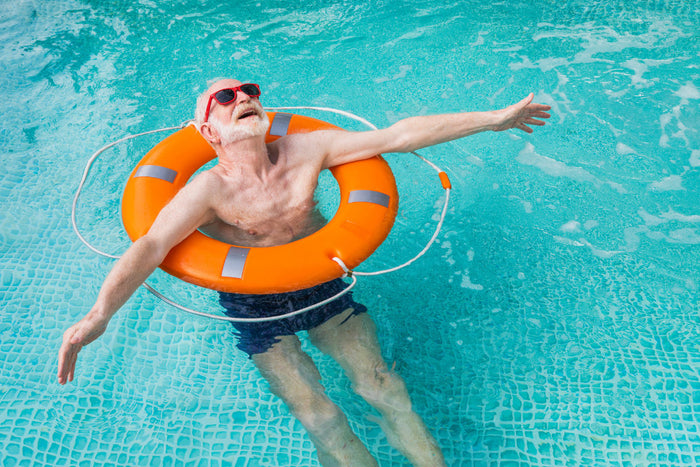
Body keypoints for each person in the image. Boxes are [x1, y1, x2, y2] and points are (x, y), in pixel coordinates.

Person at [58, 78, 551, 466]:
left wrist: (494, 120)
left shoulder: (306, 150)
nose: (243, 99)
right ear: (208, 132)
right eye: (225, 98)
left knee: (382, 384)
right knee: (321, 416)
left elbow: (398, 135)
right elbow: (151, 246)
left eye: (249, 91)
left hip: (323, 288)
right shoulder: (208, 192)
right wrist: (99, 315)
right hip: (255, 309)